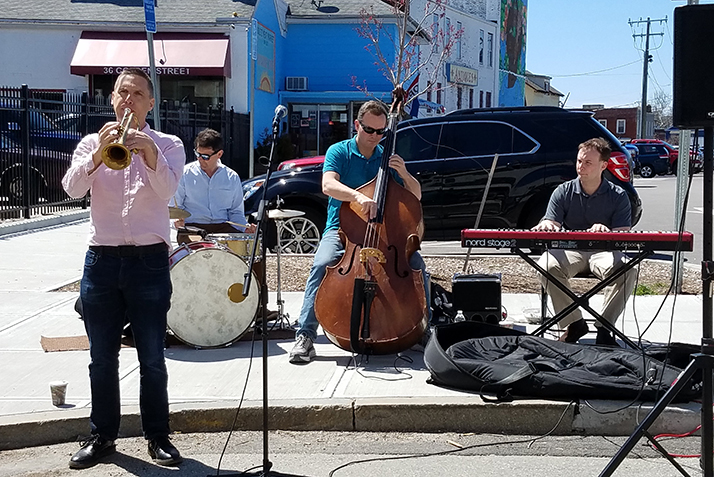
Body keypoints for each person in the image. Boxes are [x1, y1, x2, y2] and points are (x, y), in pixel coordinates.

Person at [62, 68, 185, 469]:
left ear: (151, 103)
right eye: (122, 93)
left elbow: (167, 191)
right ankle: (102, 437)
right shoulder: (90, 143)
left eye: (137, 94)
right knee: (102, 357)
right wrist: (100, 155)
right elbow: (72, 188)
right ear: (111, 100)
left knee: (151, 355)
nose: (128, 100)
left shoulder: (168, 144)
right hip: (101, 259)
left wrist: (148, 154)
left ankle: (158, 437)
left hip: (148, 260)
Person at [289, 100, 429, 364]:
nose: (375, 137)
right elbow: (328, 185)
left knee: (417, 267)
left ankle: (423, 331)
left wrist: (405, 174)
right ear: (357, 125)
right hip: (343, 230)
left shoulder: (386, 157)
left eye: (380, 132)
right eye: (369, 130)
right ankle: (306, 335)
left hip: (385, 235)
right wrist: (357, 197)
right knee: (323, 264)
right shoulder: (339, 151)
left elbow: (416, 196)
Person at [532, 137, 636, 346]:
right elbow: (551, 221)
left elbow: (623, 236)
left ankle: (605, 328)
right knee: (545, 265)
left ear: (604, 165)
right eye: (579, 161)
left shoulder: (618, 195)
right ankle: (574, 323)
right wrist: (547, 225)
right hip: (571, 249)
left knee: (629, 269)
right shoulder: (563, 191)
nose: (581, 166)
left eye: (588, 162)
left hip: (605, 251)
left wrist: (605, 232)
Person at [173, 128, 256, 245]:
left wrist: (245, 228)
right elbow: (176, 208)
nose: (200, 159)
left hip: (223, 228)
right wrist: (177, 221)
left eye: (205, 156)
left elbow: (236, 212)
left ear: (219, 154)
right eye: (198, 154)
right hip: (193, 228)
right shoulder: (185, 174)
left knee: (248, 253)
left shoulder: (232, 177)